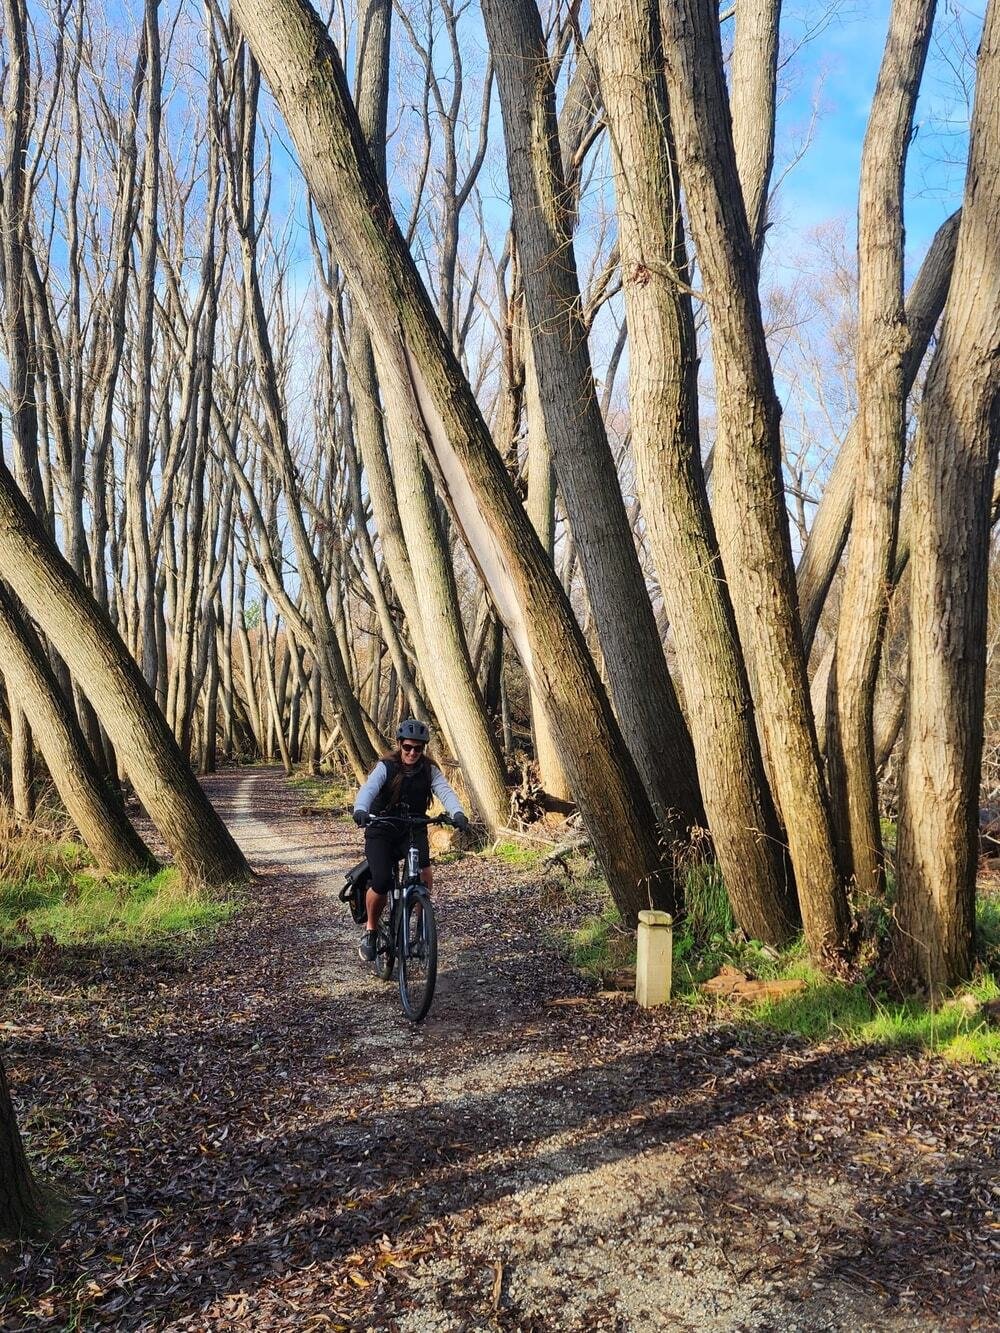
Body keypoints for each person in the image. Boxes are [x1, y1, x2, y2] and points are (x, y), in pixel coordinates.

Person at [352, 719, 469, 961]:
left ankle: (420, 930)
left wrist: (457, 813)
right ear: (399, 745)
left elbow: (445, 791)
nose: (412, 753)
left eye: (418, 748)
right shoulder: (386, 766)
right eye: (407, 747)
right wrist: (361, 809)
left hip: (412, 826)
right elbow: (369, 788)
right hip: (381, 826)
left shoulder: (429, 769)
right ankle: (371, 931)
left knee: (424, 872)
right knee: (382, 880)